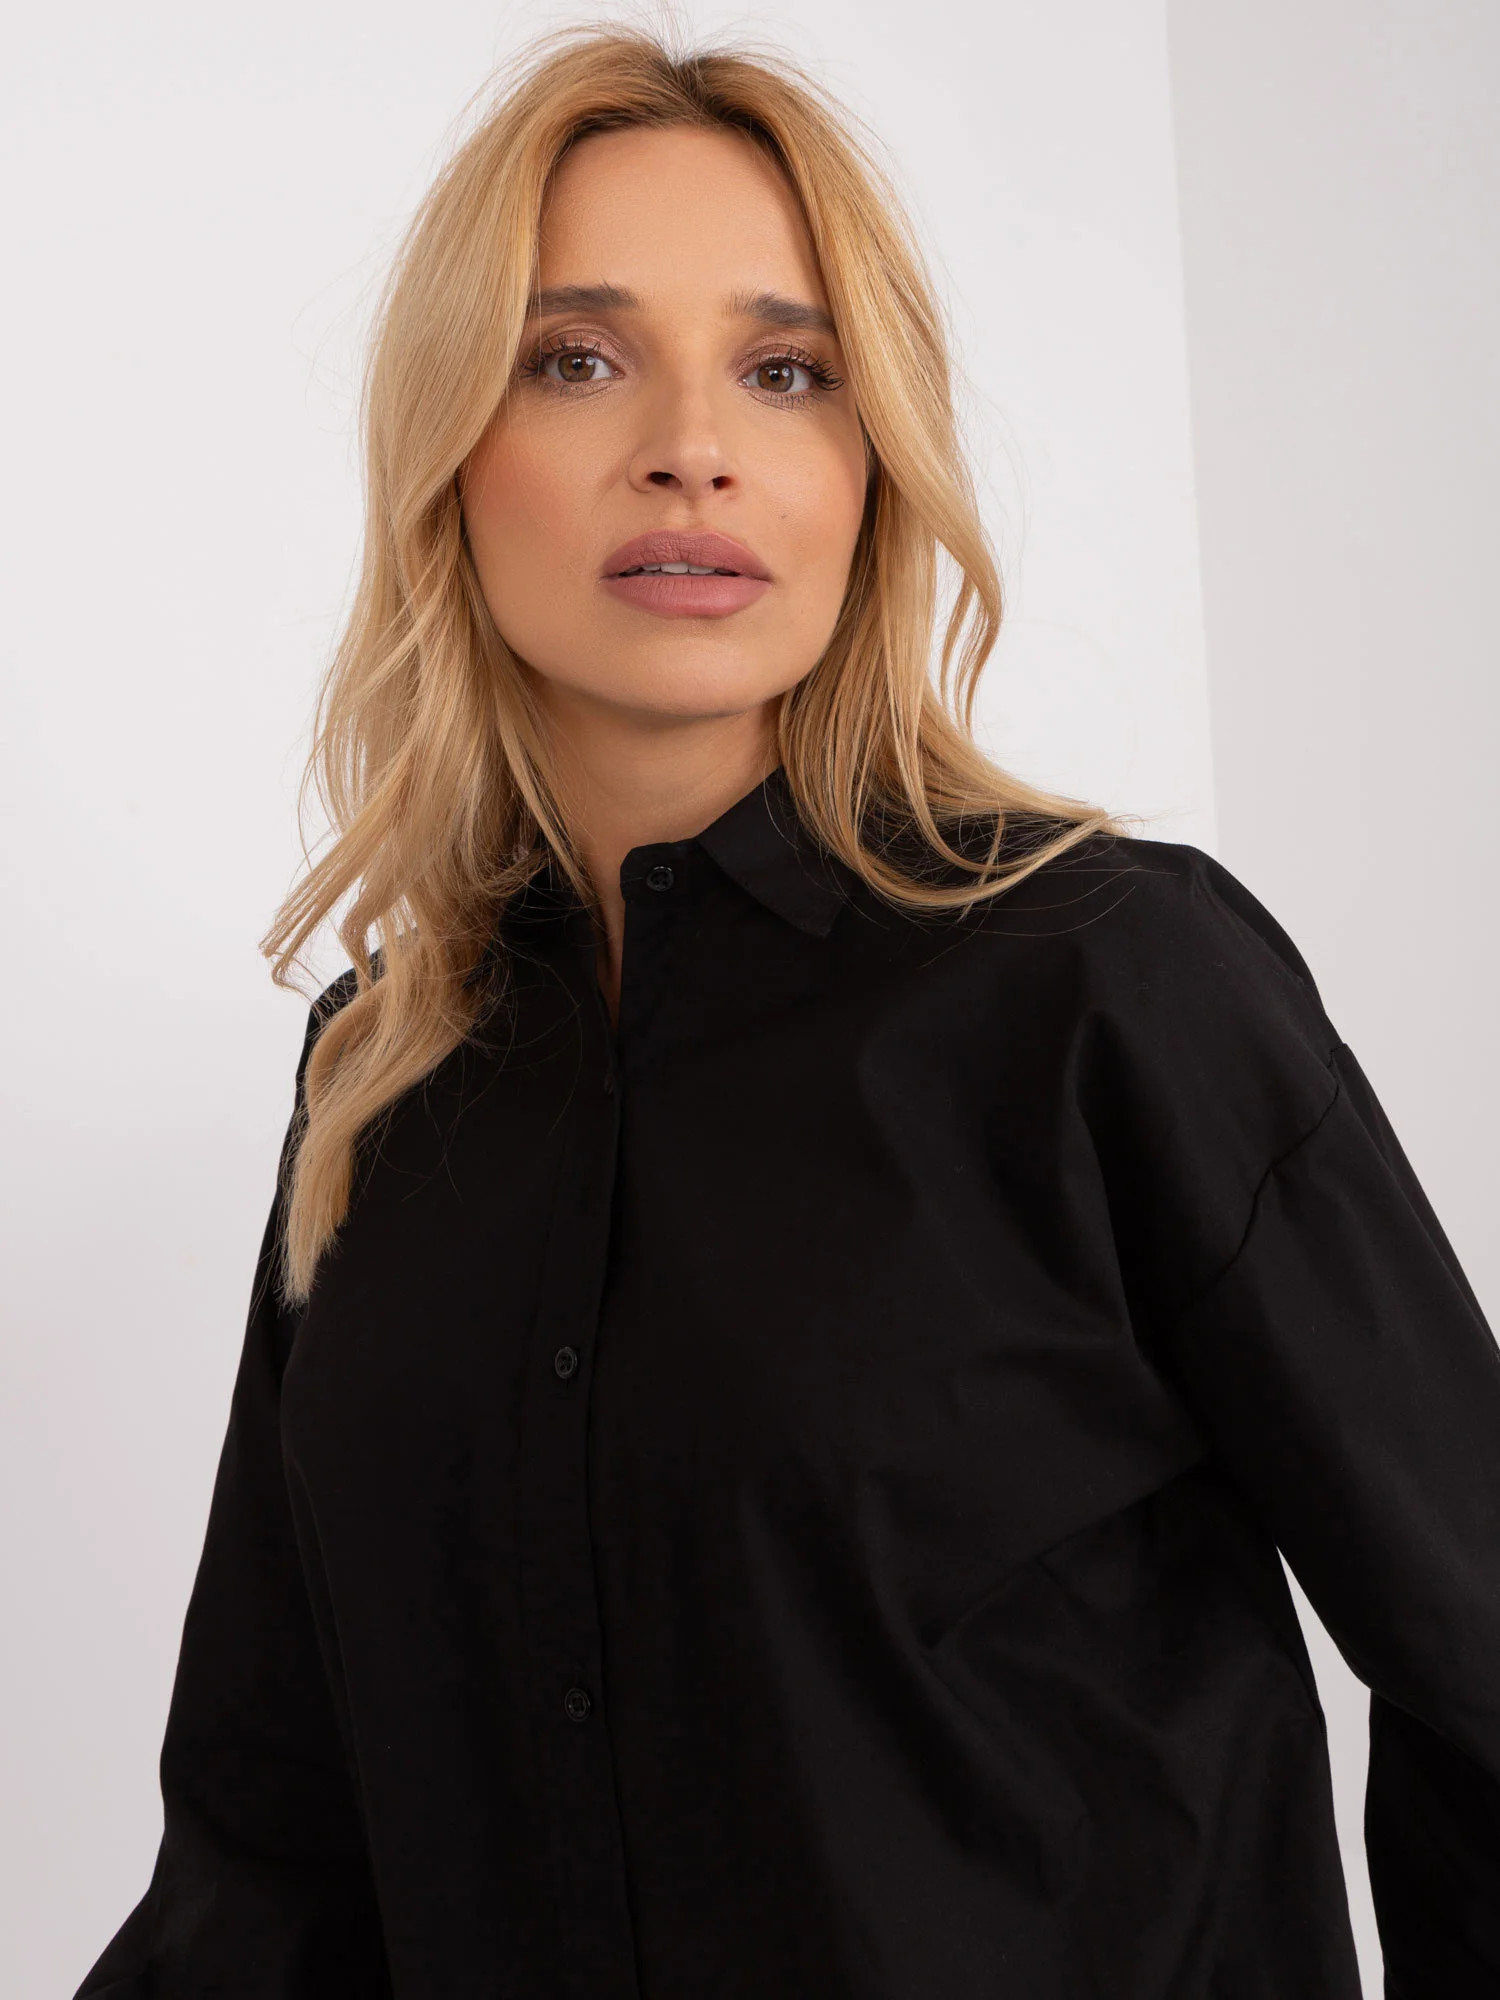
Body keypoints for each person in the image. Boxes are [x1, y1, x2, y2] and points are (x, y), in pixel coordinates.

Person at [74, 23, 1500, 2000]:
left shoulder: (1111, 986)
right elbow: (270, 1853)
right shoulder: (381, 1082)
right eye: (577, 360)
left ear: (870, 466)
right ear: (449, 460)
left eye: (787, 369)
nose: (693, 445)